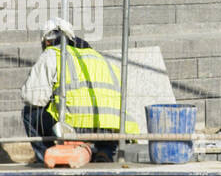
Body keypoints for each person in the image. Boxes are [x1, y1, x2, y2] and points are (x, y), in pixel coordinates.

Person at [22, 18, 137, 164]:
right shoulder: (99, 57)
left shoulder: (52, 54)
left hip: (74, 126)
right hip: (111, 129)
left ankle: (50, 157)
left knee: (29, 113)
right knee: (109, 118)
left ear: (47, 41)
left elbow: (34, 98)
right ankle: (104, 152)